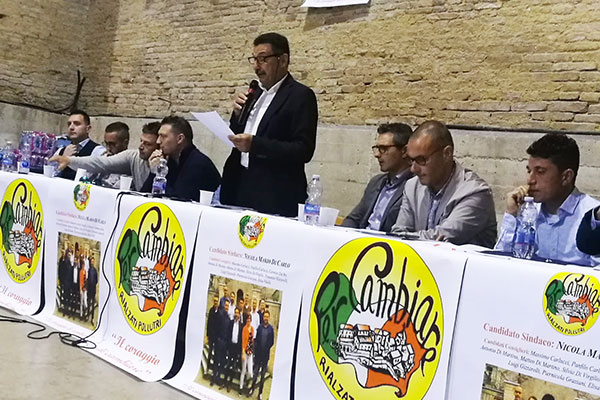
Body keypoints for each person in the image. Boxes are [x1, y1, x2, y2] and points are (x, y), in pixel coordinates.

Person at [221, 32, 318, 217]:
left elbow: (303, 150)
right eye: (254, 59)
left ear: (283, 60)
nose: (257, 66)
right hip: (239, 184)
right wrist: (237, 115)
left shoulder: (300, 96)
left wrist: (255, 144)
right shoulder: (255, 93)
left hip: (274, 192)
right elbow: (240, 134)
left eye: (263, 59)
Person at [495, 134, 600, 266]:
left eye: (540, 172)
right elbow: (499, 263)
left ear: (566, 177)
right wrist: (511, 215)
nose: (530, 180)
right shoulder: (526, 211)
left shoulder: (593, 218)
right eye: (529, 171)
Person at [391, 121, 497, 247]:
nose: (413, 169)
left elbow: (440, 240)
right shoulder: (412, 186)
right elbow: (398, 233)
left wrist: (403, 239)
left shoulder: (475, 192)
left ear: (447, 153)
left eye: (421, 160)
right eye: (411, 160)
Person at [342, 123, 414, 233]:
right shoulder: (376, 182)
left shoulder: (414, 186)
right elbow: (354, 219)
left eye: (383, 148)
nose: (377, 155)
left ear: (404, 151)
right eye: (377, 148)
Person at [51, 122, 160, 191]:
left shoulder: (163, 164)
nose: (141, 147)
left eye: (147, 144)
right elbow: (101, 163)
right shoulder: (133, 156)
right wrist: (69, 160)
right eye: (141, 141)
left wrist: (154, 171)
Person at [141, 116, 221, 201]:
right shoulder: (172, 160)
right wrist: (154, 172)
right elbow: (143, 196)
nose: (158, 141)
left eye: (163, 136)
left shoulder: (197, 163)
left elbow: (177, 199)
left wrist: (159, 174)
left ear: (180, 139)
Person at [56, 110, 106, 180]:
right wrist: (63, 158)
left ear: (88, 129)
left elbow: (94, 177)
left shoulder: (98, 151)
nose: (71, 127)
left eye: (77, 124)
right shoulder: (61, 150)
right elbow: (49, 172)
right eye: (69, 124)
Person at [250, 310, 274, 400]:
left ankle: (260, 393)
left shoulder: (271, 329)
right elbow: (256, 340)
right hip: (258, 355)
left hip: (265, 356)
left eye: (267, 317)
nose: (266, 318)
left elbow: (271, 342)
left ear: (269, 318)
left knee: (263, 376)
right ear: (263, 317)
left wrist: (266, 348)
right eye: (265, 316)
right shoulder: (260, 327)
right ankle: (252, 389)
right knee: (255, 373)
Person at [212, 299, 231, 388]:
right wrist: (216, 340)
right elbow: (216, 328)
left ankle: (218, 378)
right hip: (218, 341)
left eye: (228, 306)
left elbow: (228, 333)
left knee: (222, 362)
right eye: (225, 305)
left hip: (225, 343)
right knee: (216, 360)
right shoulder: (219, 315)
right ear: (223, 306)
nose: (226, 307)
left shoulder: (229, 319)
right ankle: (213, 378)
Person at [225, 308, 243, 392]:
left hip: (236, 348)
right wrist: (227, 347)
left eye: (237, 313)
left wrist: (240, 351)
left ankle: (230, 384)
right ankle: (224, 382)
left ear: (239, 314)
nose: (236, 314)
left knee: (234, 367)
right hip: (230, 347)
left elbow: (241, 339)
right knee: (228, 364)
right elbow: (228, 334)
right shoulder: (231, 322)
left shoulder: (241, 325)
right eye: (235, 312)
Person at [240, 314, 254, 395]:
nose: (248, 320)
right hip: (245, 351)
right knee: (243, 370)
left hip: (250, 352)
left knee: (250, 372)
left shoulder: (252, 328)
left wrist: (252, 350)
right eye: (247, 319)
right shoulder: (244, 329)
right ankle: (241, 388)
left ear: (251, 320)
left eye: (250, 319)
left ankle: (247, 380)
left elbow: (252, 341)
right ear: (246, 320)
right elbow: (243, 341)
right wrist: (243, 352)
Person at [206, 295, 220, 371]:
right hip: (211, 335)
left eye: (216, 301)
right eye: (214, 301)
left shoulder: (220, 312)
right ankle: (208, 367)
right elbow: (208, 323)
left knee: (216, 353)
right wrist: (207, 335)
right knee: (210, 351)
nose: (215, 302)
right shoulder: (211, 310)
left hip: (216, 336)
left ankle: (214, 367)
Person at [87, 261, 98, 325]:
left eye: (93, 262)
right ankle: (87, 316)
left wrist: (93, 284)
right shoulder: (89, 270)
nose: (92, 263)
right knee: (88, 303)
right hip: (89, 289)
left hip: (93, 290)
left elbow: (96, 280)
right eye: (91, 262)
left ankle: (92, 318)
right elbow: (88, 279)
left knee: (93, 305)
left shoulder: (95, 270)